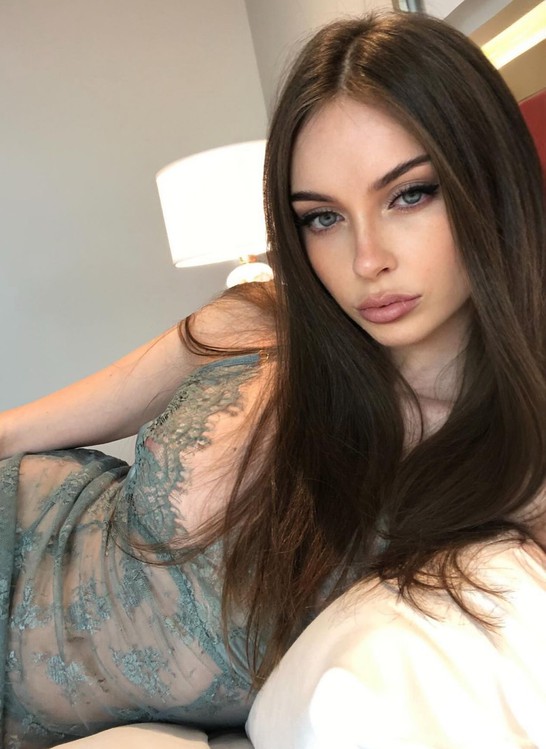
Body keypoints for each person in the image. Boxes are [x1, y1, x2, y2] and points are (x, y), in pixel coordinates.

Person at [0, 9, 545, 749]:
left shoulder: (519, 460)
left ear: (491, 182)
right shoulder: (261, 319)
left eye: (410, 194)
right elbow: (18, 431)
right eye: (322, 218)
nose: (367, 260)